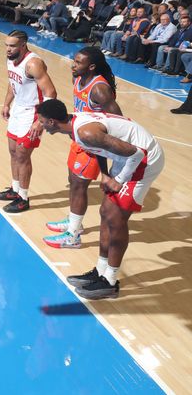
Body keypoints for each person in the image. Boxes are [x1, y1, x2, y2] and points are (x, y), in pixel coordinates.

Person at [37, 99, 164, 299]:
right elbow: (99, 149)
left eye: (42, 121)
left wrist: (119, 180)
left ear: (52, 122)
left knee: (115, 219)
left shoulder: (85, 132)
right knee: (105, 212)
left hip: (144, 159)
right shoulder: (75, 129)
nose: (40, 125)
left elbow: (137, 154)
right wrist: (105, 174)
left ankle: (110, 281)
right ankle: (100, 271)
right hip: (127, 158)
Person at [44, 47, 122, 248]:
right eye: (74, 60)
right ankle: (74, 222)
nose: (73, 65)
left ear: (92, 66)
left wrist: (107, 151)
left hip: (93, 144)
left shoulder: (99, 89)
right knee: (73, 180)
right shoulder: (77, 79)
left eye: (79, 62)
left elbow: (118, 120)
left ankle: (73, 236)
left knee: (79, 185)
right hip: (79, 138)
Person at [0, 30, 57, 213]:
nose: (8, 49)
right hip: (18, 109)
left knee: (22, 155)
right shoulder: (11, 59)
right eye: (6, 45)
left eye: (12, 46)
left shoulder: (33, 64)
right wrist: (7, 104)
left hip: (33, 112)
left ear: (23, 45)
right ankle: (15, 189)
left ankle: (23, 198)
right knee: (13, 151)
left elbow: (51, 93)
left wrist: (40, 121)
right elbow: (13, 83)